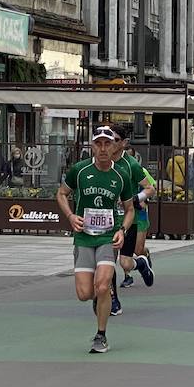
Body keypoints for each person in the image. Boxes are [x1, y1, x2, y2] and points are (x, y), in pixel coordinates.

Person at [57, 127, 135, 353]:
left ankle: (101, 335)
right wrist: (71, 216)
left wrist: (122, 229)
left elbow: (129, 209)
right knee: (84, 293)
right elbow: (61, 193)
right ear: (92, 146)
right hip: (83, 237)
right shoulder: (80, 171)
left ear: (114, 147)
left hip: (108, 237)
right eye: (98, 144)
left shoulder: (121, 175)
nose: (103, 149)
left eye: (107, 144)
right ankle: (98, 299)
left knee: (102, 286)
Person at [111, 128, 155, 301]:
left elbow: (150, 188)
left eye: (115, 139)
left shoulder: (131, 165)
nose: (110, 143)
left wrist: (135, 199)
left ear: (123, 142)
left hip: (129, 220)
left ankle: (141, 263)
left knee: (125, 263)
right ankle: (112, 300)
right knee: (107, 263)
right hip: (107, 221)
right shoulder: (99, 162)